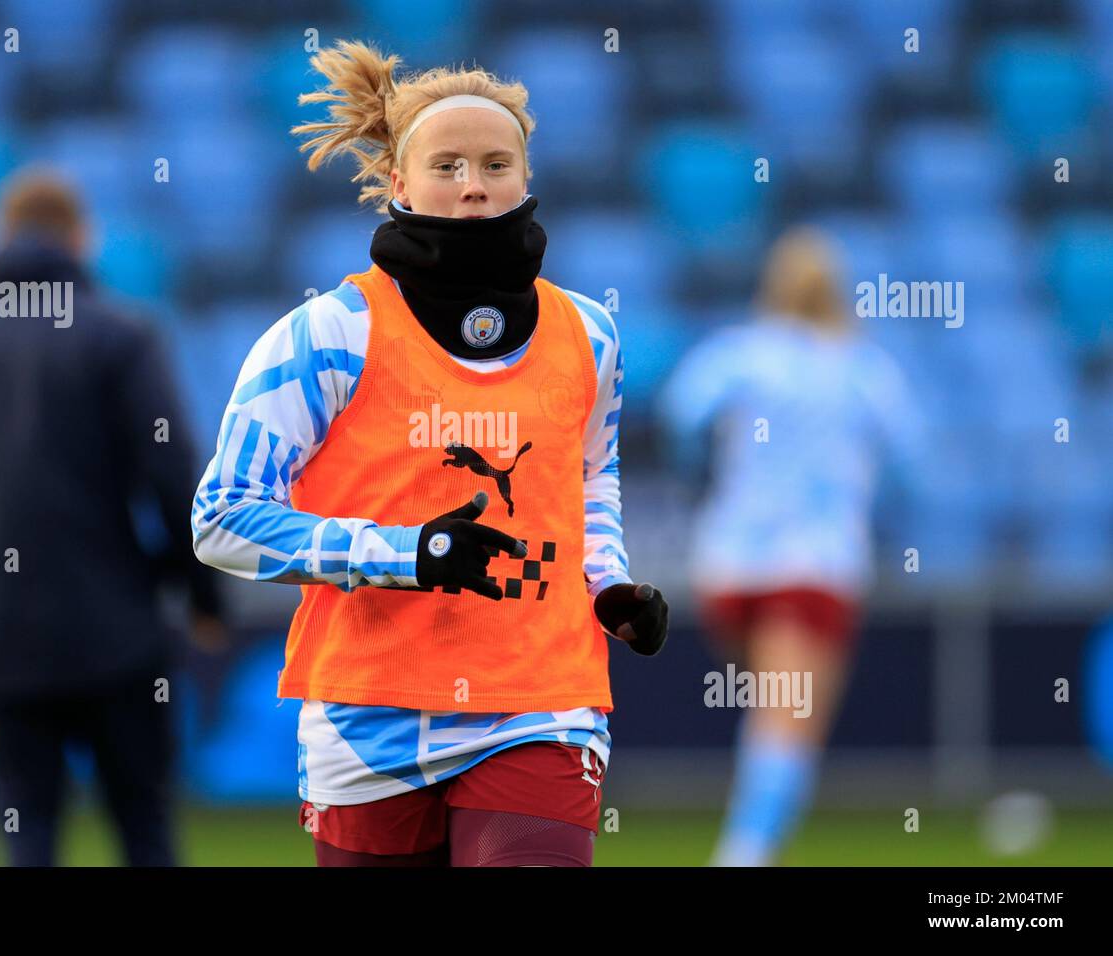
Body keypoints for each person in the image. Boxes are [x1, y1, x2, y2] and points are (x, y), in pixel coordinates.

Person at [192, 39, 668, 867]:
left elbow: (589, 477)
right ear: (399, 184)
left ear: (528, 179)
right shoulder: (326, 335)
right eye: (447, 166)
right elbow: (222, 518)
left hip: (540, 700)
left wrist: (607, 581)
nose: (475, 183)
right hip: (366, 707)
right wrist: (406, 554)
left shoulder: (591, 335)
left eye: (495, 163)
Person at [0, 169, 224, 866]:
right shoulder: (122, 335)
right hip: (117, 630)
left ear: (1, 239)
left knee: (27, 837)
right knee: (145, 830)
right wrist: (201, 595)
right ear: (81, 239)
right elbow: (174, 478)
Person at [655, 226, 923, 866]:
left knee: (770, 710)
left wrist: (709, 474)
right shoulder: (861, 367)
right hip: (814, 565)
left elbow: (678, 416)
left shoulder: (739, 353)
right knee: (788, 722)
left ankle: (760, 838)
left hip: (729, 563)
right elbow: (910, 460)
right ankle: (744, 853)